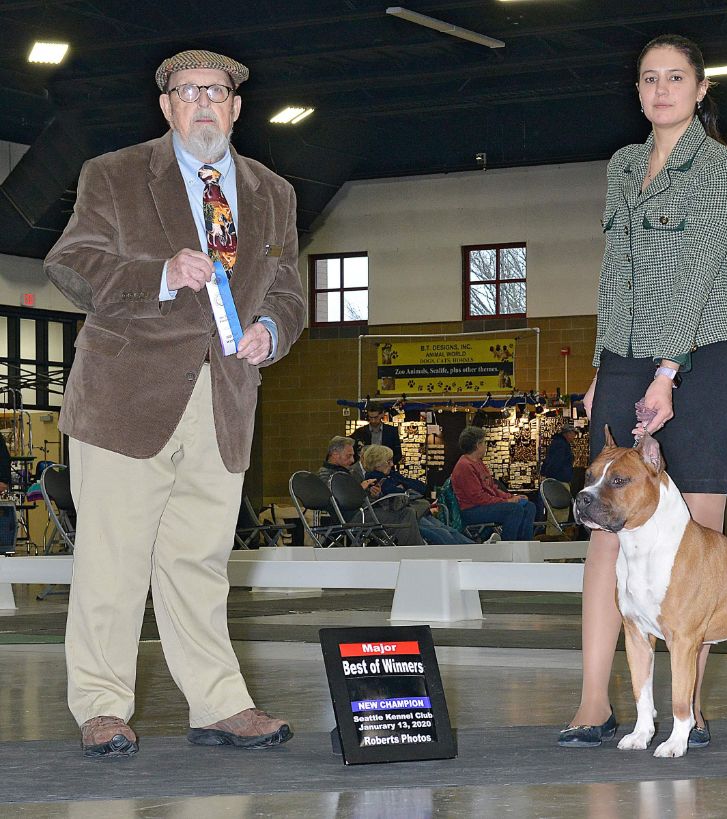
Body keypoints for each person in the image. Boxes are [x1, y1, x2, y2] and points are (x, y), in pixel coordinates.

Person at [44, 50, 305, 757]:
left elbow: (288, 291)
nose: (202, 104)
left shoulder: (273, 191)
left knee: (200, 563)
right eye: (187, 92)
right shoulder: (115, 174)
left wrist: (271, 331)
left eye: (215, 92)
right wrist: (156, 273)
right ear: (165, 107)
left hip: (222, 400)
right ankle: (101, 706)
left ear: (236, 107)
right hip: (126, 400)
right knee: (113, 561)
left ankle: (218, 704)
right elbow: (72, 262)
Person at [561, 35, 727, 750]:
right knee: (606, 539)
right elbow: (619, 274)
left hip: (703, 361)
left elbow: (702, 277)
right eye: (649, 77)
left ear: (701, 88)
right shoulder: (622, 166)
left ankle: (686, 710)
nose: (662, 88)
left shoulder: (722, 169)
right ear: (637, 89)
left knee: (695, 547)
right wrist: (604, 366)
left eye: (676, 77)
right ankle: (591, 702)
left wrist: (668, 371)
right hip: (625, 358)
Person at [361, 444, 474, 545]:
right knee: (441, 532)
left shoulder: (391, 475)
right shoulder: (375, 479)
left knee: (445, 530)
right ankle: (471, 550)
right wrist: (404, 486)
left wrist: (403, 485)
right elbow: (397, 492)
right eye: (388, 461)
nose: (392, 464)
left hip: (415, 510)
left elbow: (421, 487)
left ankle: (472, 548)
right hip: (405, 515)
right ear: (377, 463)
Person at [451, 426, 536, 541]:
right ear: (477, 445)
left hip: (483, 505)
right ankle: (509, 546)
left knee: (529, 506)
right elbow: (478, 498)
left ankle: (524, 544)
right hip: (472, 510)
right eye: (484, 443)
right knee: (513, 510)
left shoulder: (478, 463)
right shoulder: (465, 466)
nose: (486, 446)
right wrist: (506, 501)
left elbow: (492, 488)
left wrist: (512, 497)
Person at [540, 423, 577, 534]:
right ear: (568, 433)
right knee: (559, 512)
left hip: (556, 481)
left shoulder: (558, 443)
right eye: (573, 433)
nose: (575, 436)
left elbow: (549, 462)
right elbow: (555, 463)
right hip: (559, 481)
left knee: (555, 512)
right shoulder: (561, 445)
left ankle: (553, 535)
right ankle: (555, 536)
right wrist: (553, 479)